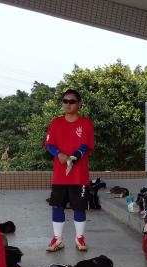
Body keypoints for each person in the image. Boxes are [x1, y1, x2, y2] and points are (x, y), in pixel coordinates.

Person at [44, 89, 95, 252]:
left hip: (79, 176)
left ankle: (79, 237)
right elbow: (49, 144)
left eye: (72, 101)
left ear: (79, 104)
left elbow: (86, 146)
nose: (68, 104)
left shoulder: (86, 123)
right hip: (60, 177)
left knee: (79, 207)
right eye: (65, 101)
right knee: (57, 206)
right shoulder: (55, 123)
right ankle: (57, 239)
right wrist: (58, 154)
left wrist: (73, 158)